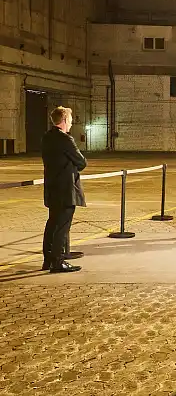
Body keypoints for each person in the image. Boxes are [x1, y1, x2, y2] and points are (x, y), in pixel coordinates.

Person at [41, 106, 86, 273]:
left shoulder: (47, 137)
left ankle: (47, 260)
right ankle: (58, 262)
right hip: (66, 189)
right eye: (71, 120)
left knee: (52, 224)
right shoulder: (65, 139)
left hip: (52, 189)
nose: (72, 123)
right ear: (65, 120)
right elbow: (81, 162)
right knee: (62, 227)